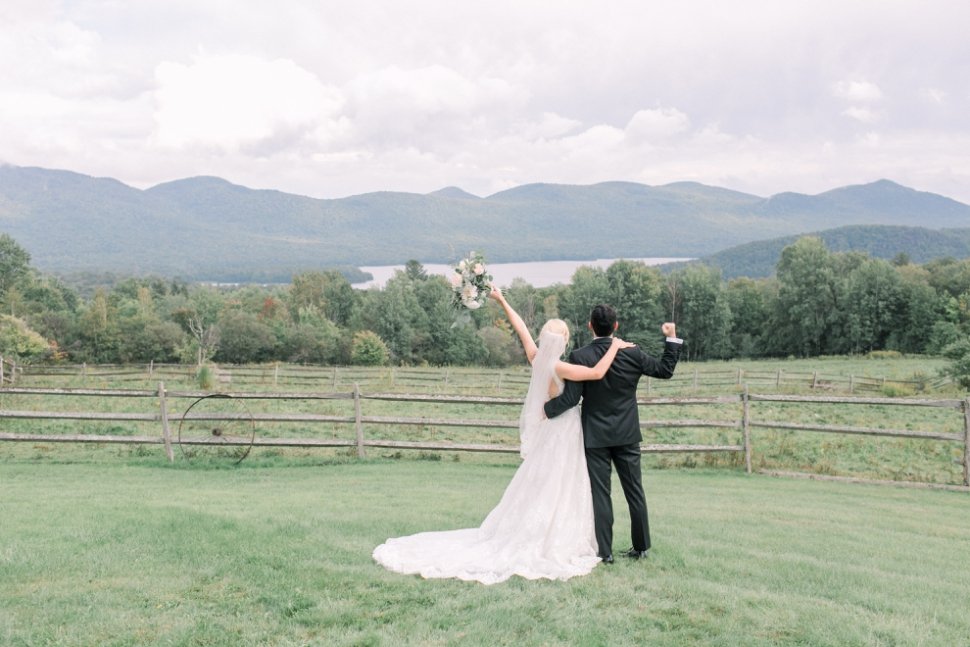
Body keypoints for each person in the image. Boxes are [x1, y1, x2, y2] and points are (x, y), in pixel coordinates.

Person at [372, 288, 634, 584]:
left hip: (550, 433)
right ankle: (558, 537)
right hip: (567, 430)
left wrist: (502, 301)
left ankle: (535, 530)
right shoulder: (561, 366)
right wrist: (615, 345)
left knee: (542, 483)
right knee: (565, 482)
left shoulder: (538, 359)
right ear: (564, 341)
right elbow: (598, 373)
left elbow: (521, 328)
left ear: (544, 339)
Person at [544, 304, 682, 563]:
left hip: (595, 436)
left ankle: (604, 552)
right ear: (615, 326)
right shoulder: (632, 353)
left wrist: (545, 409)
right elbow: (665, 370)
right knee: (635, 491)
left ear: (590, 326)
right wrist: (671, 335)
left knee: (601, 494)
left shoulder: (580, 355)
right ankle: (641, 548)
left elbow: (572, 399)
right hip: (627, 434)